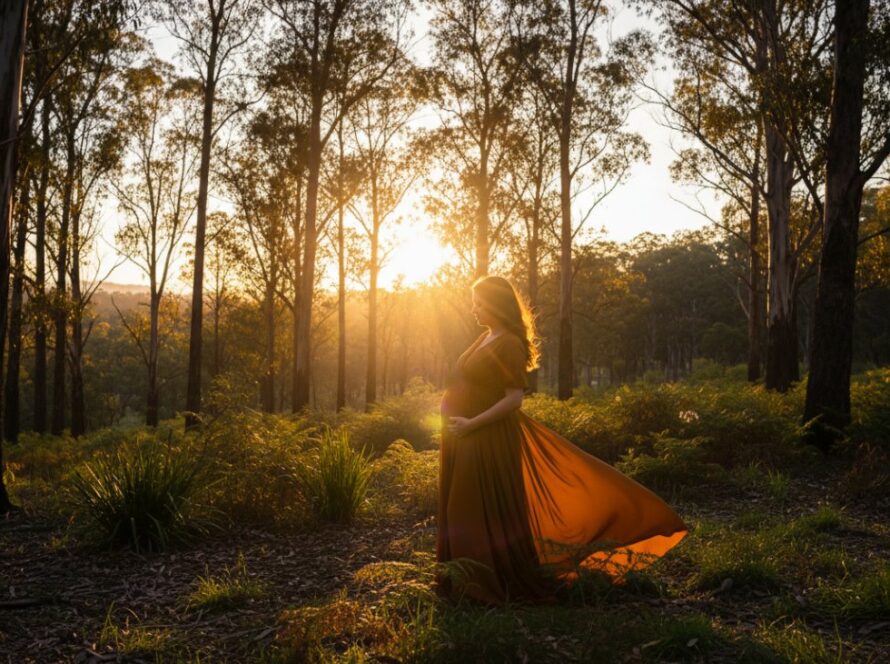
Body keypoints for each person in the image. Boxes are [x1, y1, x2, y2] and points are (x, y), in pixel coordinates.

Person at [436, 275, 689, 605]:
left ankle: (481, 587)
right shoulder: (485, 337)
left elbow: (514, 399)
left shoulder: (509, 342)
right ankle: (461, 581)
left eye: (480, 302)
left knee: (473, 508)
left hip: (486, 437)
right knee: (462, 508)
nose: (474, 309)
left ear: (497, 304)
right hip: (463, 435)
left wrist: (472, 424)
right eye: (473, 302)